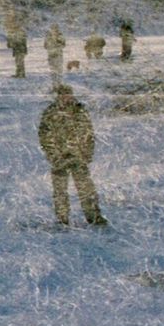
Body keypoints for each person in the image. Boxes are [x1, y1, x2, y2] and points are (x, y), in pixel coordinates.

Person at [38, 84, 107, 226]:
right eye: (62, 94)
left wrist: (87, 154)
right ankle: (62, 219)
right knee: (60, 191)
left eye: (67, 94)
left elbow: (89, 134)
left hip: (78, 156)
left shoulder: (79, 111)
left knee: (86, 189)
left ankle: (94, 217)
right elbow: (44, 136)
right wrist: (54, 155)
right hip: (60, 158)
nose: (65, 97)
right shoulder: (50, 112)